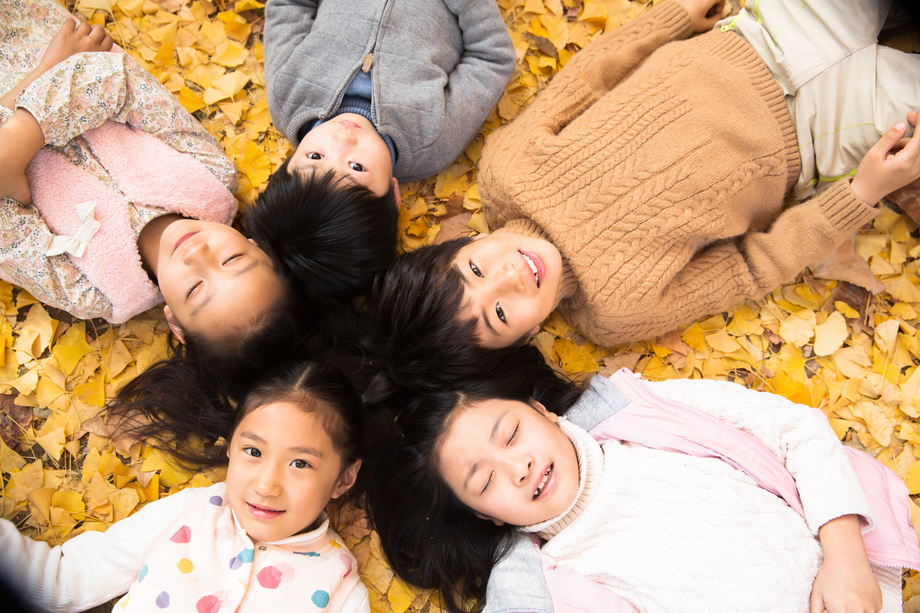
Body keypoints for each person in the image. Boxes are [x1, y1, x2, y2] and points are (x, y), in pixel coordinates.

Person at [366, 0, 920, 370]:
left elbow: (591, 76)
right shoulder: (617, 313)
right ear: (526, 339)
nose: (508, 278)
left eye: (474, 270)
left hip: (761, 38)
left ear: (462, 244)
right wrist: (861, 193)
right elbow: (752, 266)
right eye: (500, 315)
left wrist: (674, 17)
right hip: (818, 133)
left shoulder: (506, 171)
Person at [0, 0, 398, 400]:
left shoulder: (97, 292)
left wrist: (36, 83)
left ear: (175, 323)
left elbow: (6, 231)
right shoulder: (212, 177)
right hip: (39, 37)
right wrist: (19, 138)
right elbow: (120, 82)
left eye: (194, 289)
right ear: (255, 245)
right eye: (233, 260)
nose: (198, 255)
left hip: (50, 62)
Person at [366, 346, 920, 613]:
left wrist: (845, 555)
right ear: (483, 516)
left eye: (511, 434)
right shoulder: (538, 579)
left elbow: (793, 426)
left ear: (542, 411)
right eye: (485, 482)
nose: (518, 467)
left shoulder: (639, 409)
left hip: (855, 582)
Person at [0, 361, 375, 613]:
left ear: (345, 478)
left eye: (300, 463)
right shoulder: (189, 512)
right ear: (230, 447)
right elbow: (64, 581)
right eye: (253, 451)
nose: (266, 485)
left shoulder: (339, 586)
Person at [263, 0, 517, 192]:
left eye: (315, 157)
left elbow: (287, 6)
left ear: (288, 162)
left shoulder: (286, 93)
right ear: (393, 195)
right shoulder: (434, 139)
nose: (342, 139)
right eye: (356, 167)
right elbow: (492, 58)